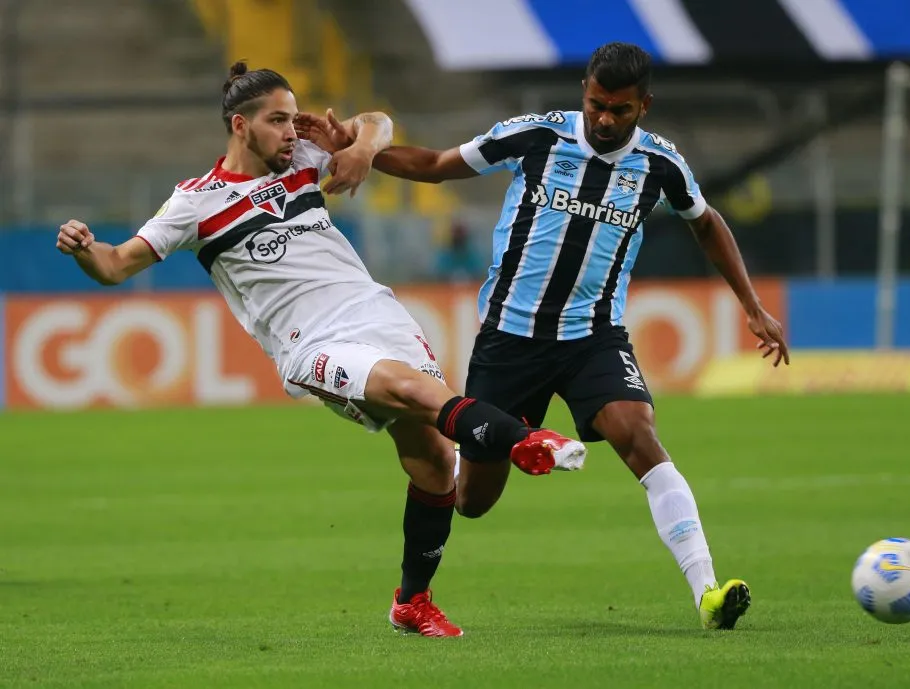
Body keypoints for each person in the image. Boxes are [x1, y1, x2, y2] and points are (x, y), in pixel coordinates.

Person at [55, 61, 586, 638]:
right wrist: (86, 249)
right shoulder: (195, 203)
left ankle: (412, 602)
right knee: (412, 390)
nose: (291, 130)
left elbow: (377, 120)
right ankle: (525, 438)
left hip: (378, 315)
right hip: (313, 345)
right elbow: (114, 264)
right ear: (240, 125)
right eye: (277, 120)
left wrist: (360, 149)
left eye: (293, 117)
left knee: (434, 459)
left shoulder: (307, 159)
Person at [298, 42, 790, 630]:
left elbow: (705, 222)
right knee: (472, 502)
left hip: (593, 338)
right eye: (597, 104)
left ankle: (707, 592)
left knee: (639, 434)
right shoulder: (537, 135)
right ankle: (458, 456)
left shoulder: (661, 165)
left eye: (621, 110)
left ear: (645, 106)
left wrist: (752, 305)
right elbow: (433, 165)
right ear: (584, 90)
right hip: (510, 341)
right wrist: (357, 153)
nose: (605, 119)